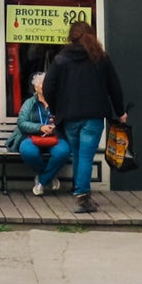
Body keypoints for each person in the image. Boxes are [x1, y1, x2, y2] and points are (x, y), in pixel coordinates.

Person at [43, 21, 126, 215]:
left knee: (78, 155)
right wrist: (120, 111)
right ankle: (82, 196)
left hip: (69, 116)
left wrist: (56, 109)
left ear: (71, 37)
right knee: (86, 156)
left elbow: (48, 87)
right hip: (94, 116)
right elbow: (114, 86)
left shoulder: (61, 59)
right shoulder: (101, 57)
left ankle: (81, 192)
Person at [9, 73, 70, 195]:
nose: (46, 86)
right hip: (32, 136)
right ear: (36, 87)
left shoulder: (58, 101)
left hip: (55, 136)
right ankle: (49, 176)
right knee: (28, 151)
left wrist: (57, 123)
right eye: (42, 84)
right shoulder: (29, 103)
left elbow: (67, 120)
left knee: (62, 152)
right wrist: (40, 127)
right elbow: (21, 122)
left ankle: (42, 181)